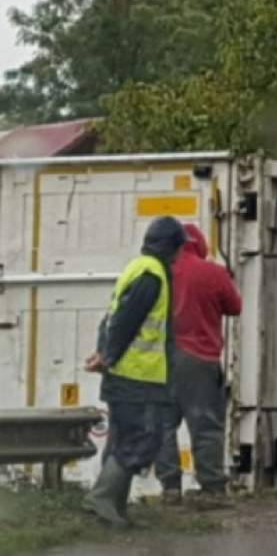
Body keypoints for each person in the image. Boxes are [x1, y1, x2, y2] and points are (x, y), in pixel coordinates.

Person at [82, 216, 188, 527]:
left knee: (124, 438)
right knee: (143, 438)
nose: (181, 255)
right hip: (137, 376)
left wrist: (104, 353)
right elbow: (127, 320)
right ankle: (101, 499)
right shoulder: (153, 275)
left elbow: (111, 318)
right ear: (170, 247)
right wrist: (109, 355)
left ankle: (114, 509)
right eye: (179, 248)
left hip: (127, 374)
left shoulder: (138, 268)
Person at [155, 223, 242, 506]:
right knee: (205, 425)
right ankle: (211, 487)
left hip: (162, 359)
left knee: (163, 425)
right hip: (200, 359)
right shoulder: (213, 273)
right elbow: (235, 307)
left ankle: (170, 487)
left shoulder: (160, 272)